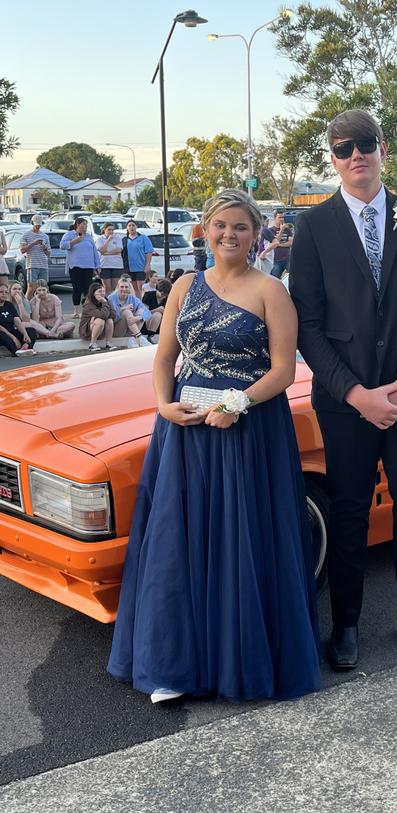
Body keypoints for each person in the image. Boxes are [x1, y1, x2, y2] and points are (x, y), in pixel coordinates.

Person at [107, 188, 321, 703]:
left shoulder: (272, 291)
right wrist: (162, 404)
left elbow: (284, 370)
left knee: (240, 540)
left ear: (256, 234)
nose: (229, 235)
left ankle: (237, 659)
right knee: (177, 540)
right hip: (183, 428)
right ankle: (172, 666)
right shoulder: (183, 285)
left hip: (246, 431)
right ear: (204, 229)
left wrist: (237, 405)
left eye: (241, 227)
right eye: (220, 225)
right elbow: (164, 358)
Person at [290, 109, 397, 671]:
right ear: (333, 159)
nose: (355, 155)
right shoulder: (313, 228)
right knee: (348, 511)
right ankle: (346, 624)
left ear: (382, 148)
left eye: (364, 144)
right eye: (343, 149)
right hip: (346, 404)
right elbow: (307, 326)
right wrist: (356, 393)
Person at [60, 217, 101, 318]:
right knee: (77, 288)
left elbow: (94, 252)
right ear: (78, 225)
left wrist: (97, 265)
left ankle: (87, 309)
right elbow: (62, 246)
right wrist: (76, 241)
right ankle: (76, 310)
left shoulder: (89, 236)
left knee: (87, 288)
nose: (86, 227)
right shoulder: (69, 234)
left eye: (86, 225)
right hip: (75, 266)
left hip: (88, 266)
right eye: (84, 224)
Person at [107, 275, 152, 348]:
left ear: (129, 289)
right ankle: (140, 337)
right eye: (122, 287)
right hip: (116, 329)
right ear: (118, 288)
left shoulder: (133, 298)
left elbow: (148, 313)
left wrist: (138, 318)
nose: (124, 289)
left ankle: (133, 338)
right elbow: (109, 315)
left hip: (130, 329)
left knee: (141, 311)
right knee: (127, 312)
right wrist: (123, 309)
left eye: (126, 287)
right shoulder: (111, 298)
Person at [0, 283, 37, 356]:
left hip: (11, 331)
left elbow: (17, 321)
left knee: (31, 330)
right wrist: (13, 337)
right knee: (1, 335)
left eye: (6, 292)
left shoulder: (9, 305)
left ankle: (26, 347)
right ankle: (16, 351)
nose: (4, 294)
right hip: (3, 333)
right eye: (1, 292)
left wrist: (25, 334)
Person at [20, 214, 51, 300]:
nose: (38, 226)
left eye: (39, 225)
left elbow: (49, 253)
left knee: (44, 288)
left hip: (43, 264)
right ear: (32, 223)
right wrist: (33, 243)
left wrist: (45, 248)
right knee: (31, 288)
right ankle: (27, 307)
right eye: (36, 224)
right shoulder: (26, 235)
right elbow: (22, 250)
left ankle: (42, 307)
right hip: (32, 264)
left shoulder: (45, 236)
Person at [80, 281, 117, 351]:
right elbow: (102, 315)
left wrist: (104, 303)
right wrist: (104, 303)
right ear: (93, 293)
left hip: (101, 330)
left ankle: (109, 343)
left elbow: (113, 314)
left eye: (103, 291)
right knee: (100, 320)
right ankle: (92, 344)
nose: (102, 293)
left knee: (109, 320)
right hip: (88, 332)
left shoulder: (105, 300)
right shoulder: (88, 304)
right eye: (100, 291)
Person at [122, 220, 154, 297]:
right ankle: (136, 303)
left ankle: (144, 303)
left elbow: (149, 252)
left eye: (133, 225)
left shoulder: (143, 238)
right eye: (129, 225)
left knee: (141, 287)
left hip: (140, 267)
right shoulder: (124, 240)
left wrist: (147, 265)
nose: (131, 227)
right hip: (129, 268)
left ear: (136, 227)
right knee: (133, 288)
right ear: (127, 228)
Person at [263, 210, 293, 279]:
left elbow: (291, 243)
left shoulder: (287, 230)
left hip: (287, 258)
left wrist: (278, 244)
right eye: (279, 217)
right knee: (275, 279)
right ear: (274, 218)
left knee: (291, 278)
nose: (282, 219)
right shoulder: (270, 230)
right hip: (275, 259)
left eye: (283, 217)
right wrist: (281, 230)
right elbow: (275, 242)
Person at [96, 223, 124, 292]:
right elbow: (102, 250)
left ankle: (115, 302)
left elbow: (118, 250)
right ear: (104, 230)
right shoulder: (100, 239)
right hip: (104, 265)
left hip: (117, 266)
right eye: (109, 229)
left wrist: (107, 253)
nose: (111, 231)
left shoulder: (118, 238)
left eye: (112, 230)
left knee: (116, 287)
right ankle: (106, 302)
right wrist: (108, 240)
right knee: (107, 288)